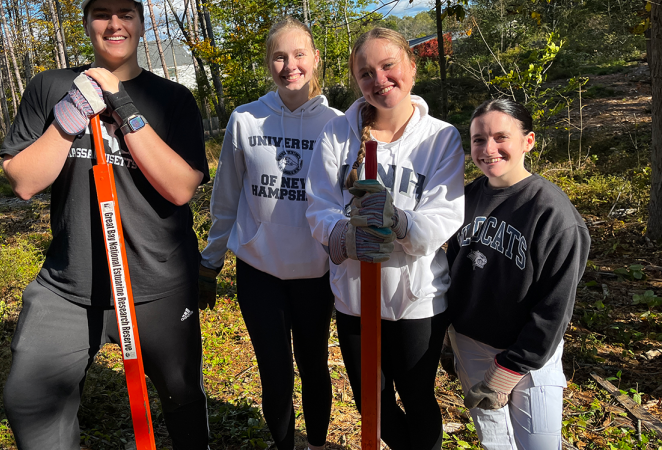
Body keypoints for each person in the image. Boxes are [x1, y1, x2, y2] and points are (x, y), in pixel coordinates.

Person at [0, 0, 210, 448]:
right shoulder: (51, 86)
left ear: (141, 21)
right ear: (86, 22)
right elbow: (23, 181)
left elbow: (181, 188)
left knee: (183, 397)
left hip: (158, 282)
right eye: (101, 12)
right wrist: (68, 119)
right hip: (70, 286)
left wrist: (125, 108)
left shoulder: (173, 98)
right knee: (27, 399)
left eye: (126, 12)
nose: (114, 24)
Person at [305, 27, 465, 450]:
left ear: (411, 67)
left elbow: (445, 213)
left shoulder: (440, 138)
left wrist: (399, 223)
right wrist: (344, 234)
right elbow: (317, 205)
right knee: (370, 402)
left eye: (388, 66)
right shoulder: (338, 135)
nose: (379, 79)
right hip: (355, 297)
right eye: (366, 73)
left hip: (417, 300)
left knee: (417, 397)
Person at [199, 17, 342, 450]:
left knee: (314, 367)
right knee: (275, 374)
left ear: (315, 59)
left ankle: (315, 444)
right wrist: (210, 261)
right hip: (259, 271)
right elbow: (226, 196)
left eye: (299, 54)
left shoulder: (337, 125)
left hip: (315, 273)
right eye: (279, 56)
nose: (289, 65)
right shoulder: (246, 120)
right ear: (268, 63)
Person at [445, 99, 590, 450]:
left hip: (529, 358)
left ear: (528, 141)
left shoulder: (554, 216)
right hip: (471, 344)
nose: (488, 149)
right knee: (495, 443)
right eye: (479, 139)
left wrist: (509, 370)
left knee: (539, 445)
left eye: (500, 137)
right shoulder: (463, 199)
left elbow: (554, 310)